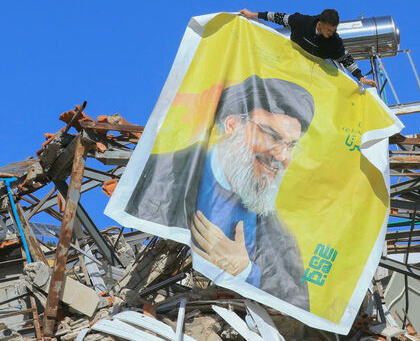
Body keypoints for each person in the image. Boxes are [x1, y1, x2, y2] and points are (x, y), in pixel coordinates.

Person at [124, 75, 314, 310]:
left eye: (291, 145)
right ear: (232, 125)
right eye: (272, 136)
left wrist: (245, 272)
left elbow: (297, 307)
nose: (281, 156)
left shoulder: (279, 236)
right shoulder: (159, 174)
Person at [239, 8, 378, 88]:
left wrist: (360, 77)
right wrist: (253, 15)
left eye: (334, 30)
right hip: (293, 63)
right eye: (329, 30)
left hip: (315, 74)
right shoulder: (302, 23)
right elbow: (278, 17)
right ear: (319, 25)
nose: (331, 33)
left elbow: (346, 59)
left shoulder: (334, 42)